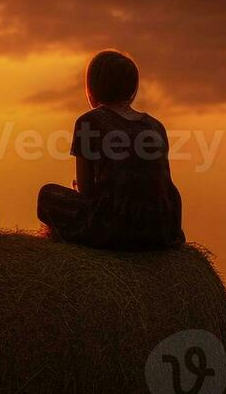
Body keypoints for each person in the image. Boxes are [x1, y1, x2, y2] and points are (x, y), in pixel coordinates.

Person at [36, 50, 184, 250]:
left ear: (93, 87)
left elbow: (87, 189)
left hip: (115, 229)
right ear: (133, 89)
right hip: (163, 230)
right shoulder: (155, 126)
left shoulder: (89, 122)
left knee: (47, 195)